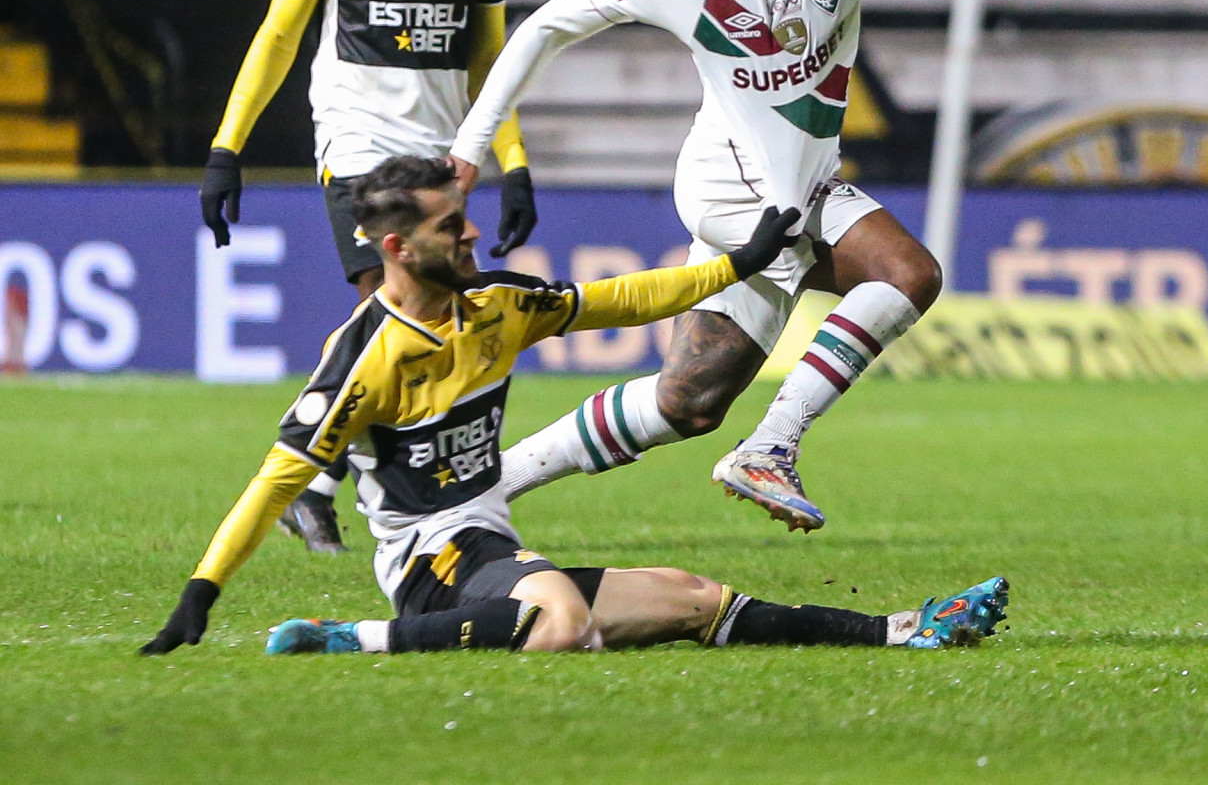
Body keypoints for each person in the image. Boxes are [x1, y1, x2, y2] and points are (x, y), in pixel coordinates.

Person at [448, 0, 1074, 532]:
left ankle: (482, 490)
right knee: (908, 274)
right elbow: (541, 29)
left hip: (794, 181)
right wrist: (469, 150)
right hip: (739, 185)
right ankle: (772, 447)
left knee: (688, 401)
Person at [140, 156, 1013, 657]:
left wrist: (737, 266)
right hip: (430, 562)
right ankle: (350, 640)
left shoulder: (498, 308)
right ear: (401, 248)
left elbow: (623, 299)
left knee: (692, 598)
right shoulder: (362, 358)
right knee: (559, 621)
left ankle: (905, 635)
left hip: (488, 542)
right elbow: (275, 480)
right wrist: (201, 590)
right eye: (453, 228)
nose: (473, 234)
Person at [199, 0, 538, 555]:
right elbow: (279, 35)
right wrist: (227, 147)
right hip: (358, 141)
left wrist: (513, 161)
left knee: (416, 317)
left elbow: (492, 58)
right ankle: (324, 482)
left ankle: (316, 482)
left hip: (442, 153)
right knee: (387, 305)